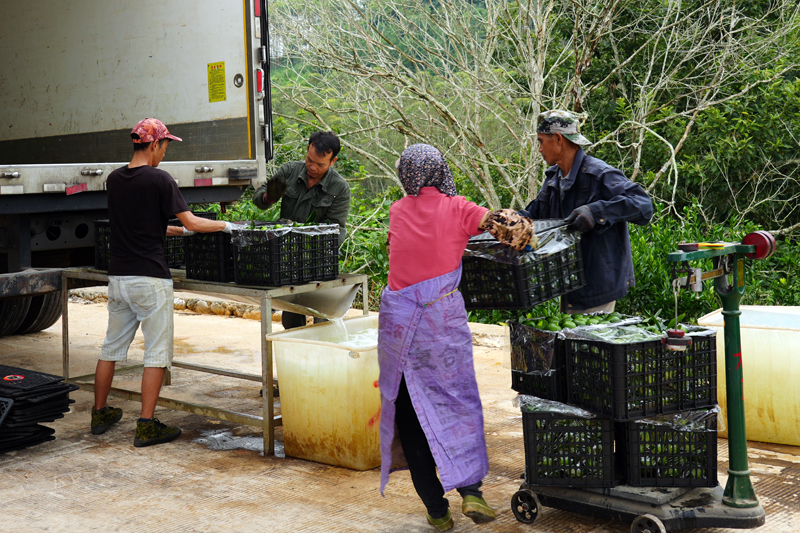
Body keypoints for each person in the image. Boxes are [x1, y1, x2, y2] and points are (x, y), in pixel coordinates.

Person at [378, 144, 535, 531]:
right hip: (440, 330)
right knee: (456, 404)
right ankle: (471, 492)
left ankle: (436, 508)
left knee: (411, 415)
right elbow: (516, 233)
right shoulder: (458, 208)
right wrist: (520, 229)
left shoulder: (398, 212)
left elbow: (394, 251)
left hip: (399, 333)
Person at [90, 118, 240, 447]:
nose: (165, 153)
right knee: (156, 353)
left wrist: (178, 231)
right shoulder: (161, 179)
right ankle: (146, 424)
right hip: (150, 279)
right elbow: (192, 221)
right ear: (154, 145)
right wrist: (225, 225)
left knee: (111, 348)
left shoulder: (114, 180)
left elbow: (141, 225)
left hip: (119, 278)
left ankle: (99, 412)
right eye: (166, 146)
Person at [522, 110, 653, 314]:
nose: (539, 149)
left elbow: (643, 204)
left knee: (588, 345)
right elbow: (536, 215)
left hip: (597, 289)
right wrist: (504, 220)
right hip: (570, 287)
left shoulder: (599, 173)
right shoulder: (553, 178)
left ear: (558, 139)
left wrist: (595, 211)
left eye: (541, 141)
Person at [252, 130, 351, 330]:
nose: (312, 167)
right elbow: (259, 199)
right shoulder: (289, 171)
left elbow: (337, 230)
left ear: (333, 161)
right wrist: (269, 197)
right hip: (286, 257)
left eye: (320, 164)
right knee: (292, 314)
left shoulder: (339, 188)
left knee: (321, 315)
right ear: (307, 150)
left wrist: (310, 247)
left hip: (318, 259)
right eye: (309, 160)